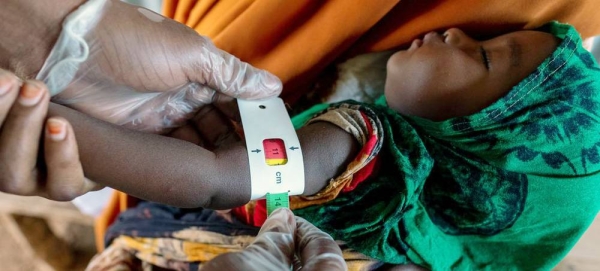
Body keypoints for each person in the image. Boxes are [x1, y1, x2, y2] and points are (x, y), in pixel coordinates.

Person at [12, 20, 600, 270]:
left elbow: (218, 177)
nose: (458, 33)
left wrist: (33, 109)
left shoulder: (366, 143)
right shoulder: (421, 243)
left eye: (486, 55)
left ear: (486, 141)